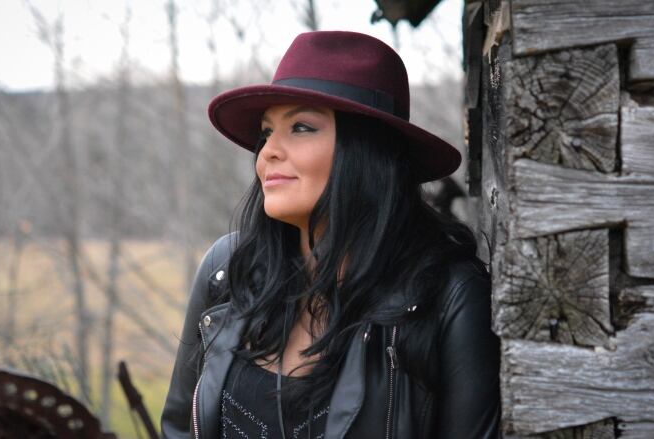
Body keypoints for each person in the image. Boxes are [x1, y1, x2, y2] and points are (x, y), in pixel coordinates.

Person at [161, 30, 501, 439]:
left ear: (367, 151)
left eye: (301, 127)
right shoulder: (229, 271)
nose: (267, 151)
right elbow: (179, 429)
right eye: (266, 132)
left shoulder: (447, 298)